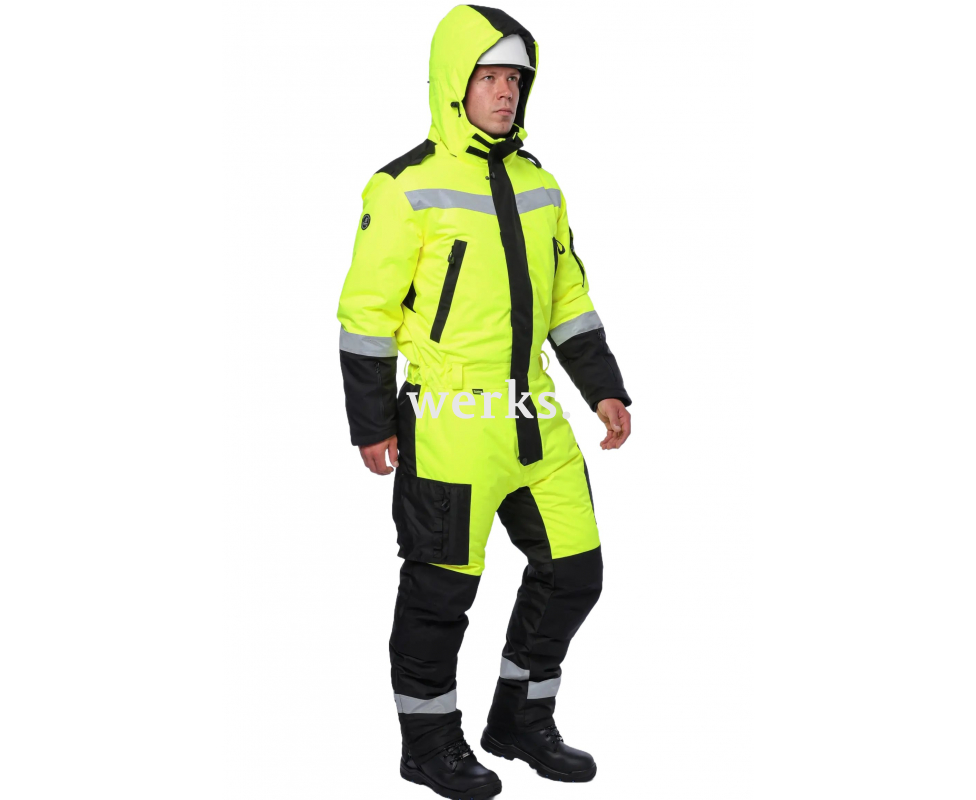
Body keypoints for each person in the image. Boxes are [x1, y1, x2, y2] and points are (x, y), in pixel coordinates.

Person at [337, 5, 632, 797]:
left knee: (575, 571)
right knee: (440, 595)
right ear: (453, 84)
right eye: (489, 77)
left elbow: (568, 299)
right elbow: (365, 314)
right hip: (449, 420)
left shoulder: (542, 186)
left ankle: (520, 721)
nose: (505, 92)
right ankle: (429, 745)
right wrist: (371, 423)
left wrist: (604, 388)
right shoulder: (403, 187)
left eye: (515, 79)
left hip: (535, 417)